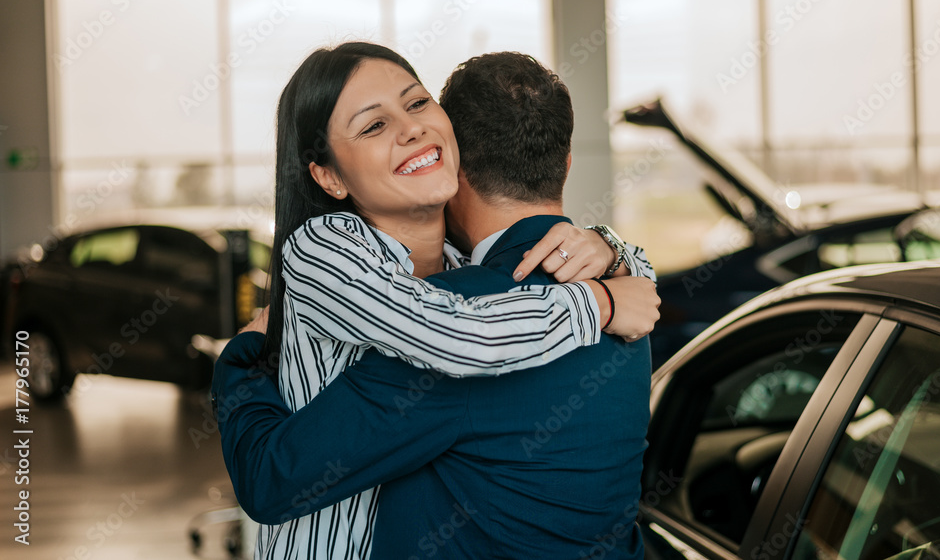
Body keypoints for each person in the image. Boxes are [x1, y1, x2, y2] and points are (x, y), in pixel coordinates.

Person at [222, 42, 660, 559]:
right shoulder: (326, 245)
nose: (410, 128)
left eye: (416, 104)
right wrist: (603, 301)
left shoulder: (467, 271)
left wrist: (616, 251)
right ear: (330, 176)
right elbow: (456, 335)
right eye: (372, 126)